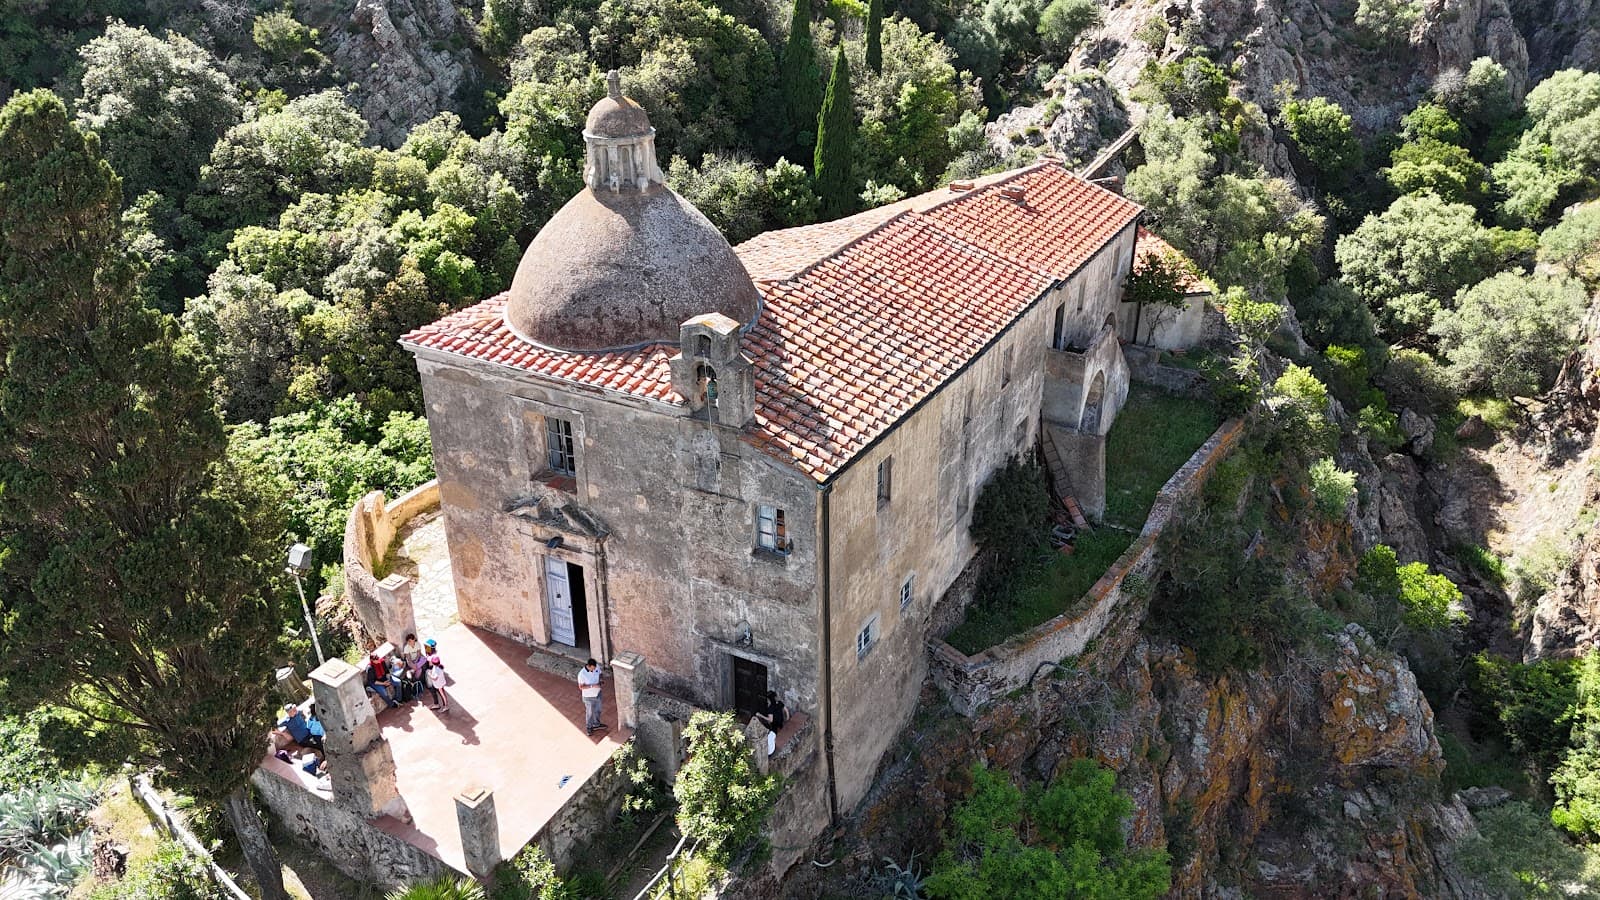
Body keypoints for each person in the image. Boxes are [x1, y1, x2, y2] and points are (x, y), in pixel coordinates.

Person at [578, 659, 604, 735]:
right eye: (593, 668)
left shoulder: (596, 667)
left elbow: (600, 673)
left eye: (595, 668)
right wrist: (593, 686)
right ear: (588, 666)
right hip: (588, 697)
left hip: (598, 694)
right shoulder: (582, 674)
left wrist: (601, 679)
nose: (594, 669)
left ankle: (597, 724)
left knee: (598, 710)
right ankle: (589, 727)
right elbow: (581, 687)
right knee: (590, 713)